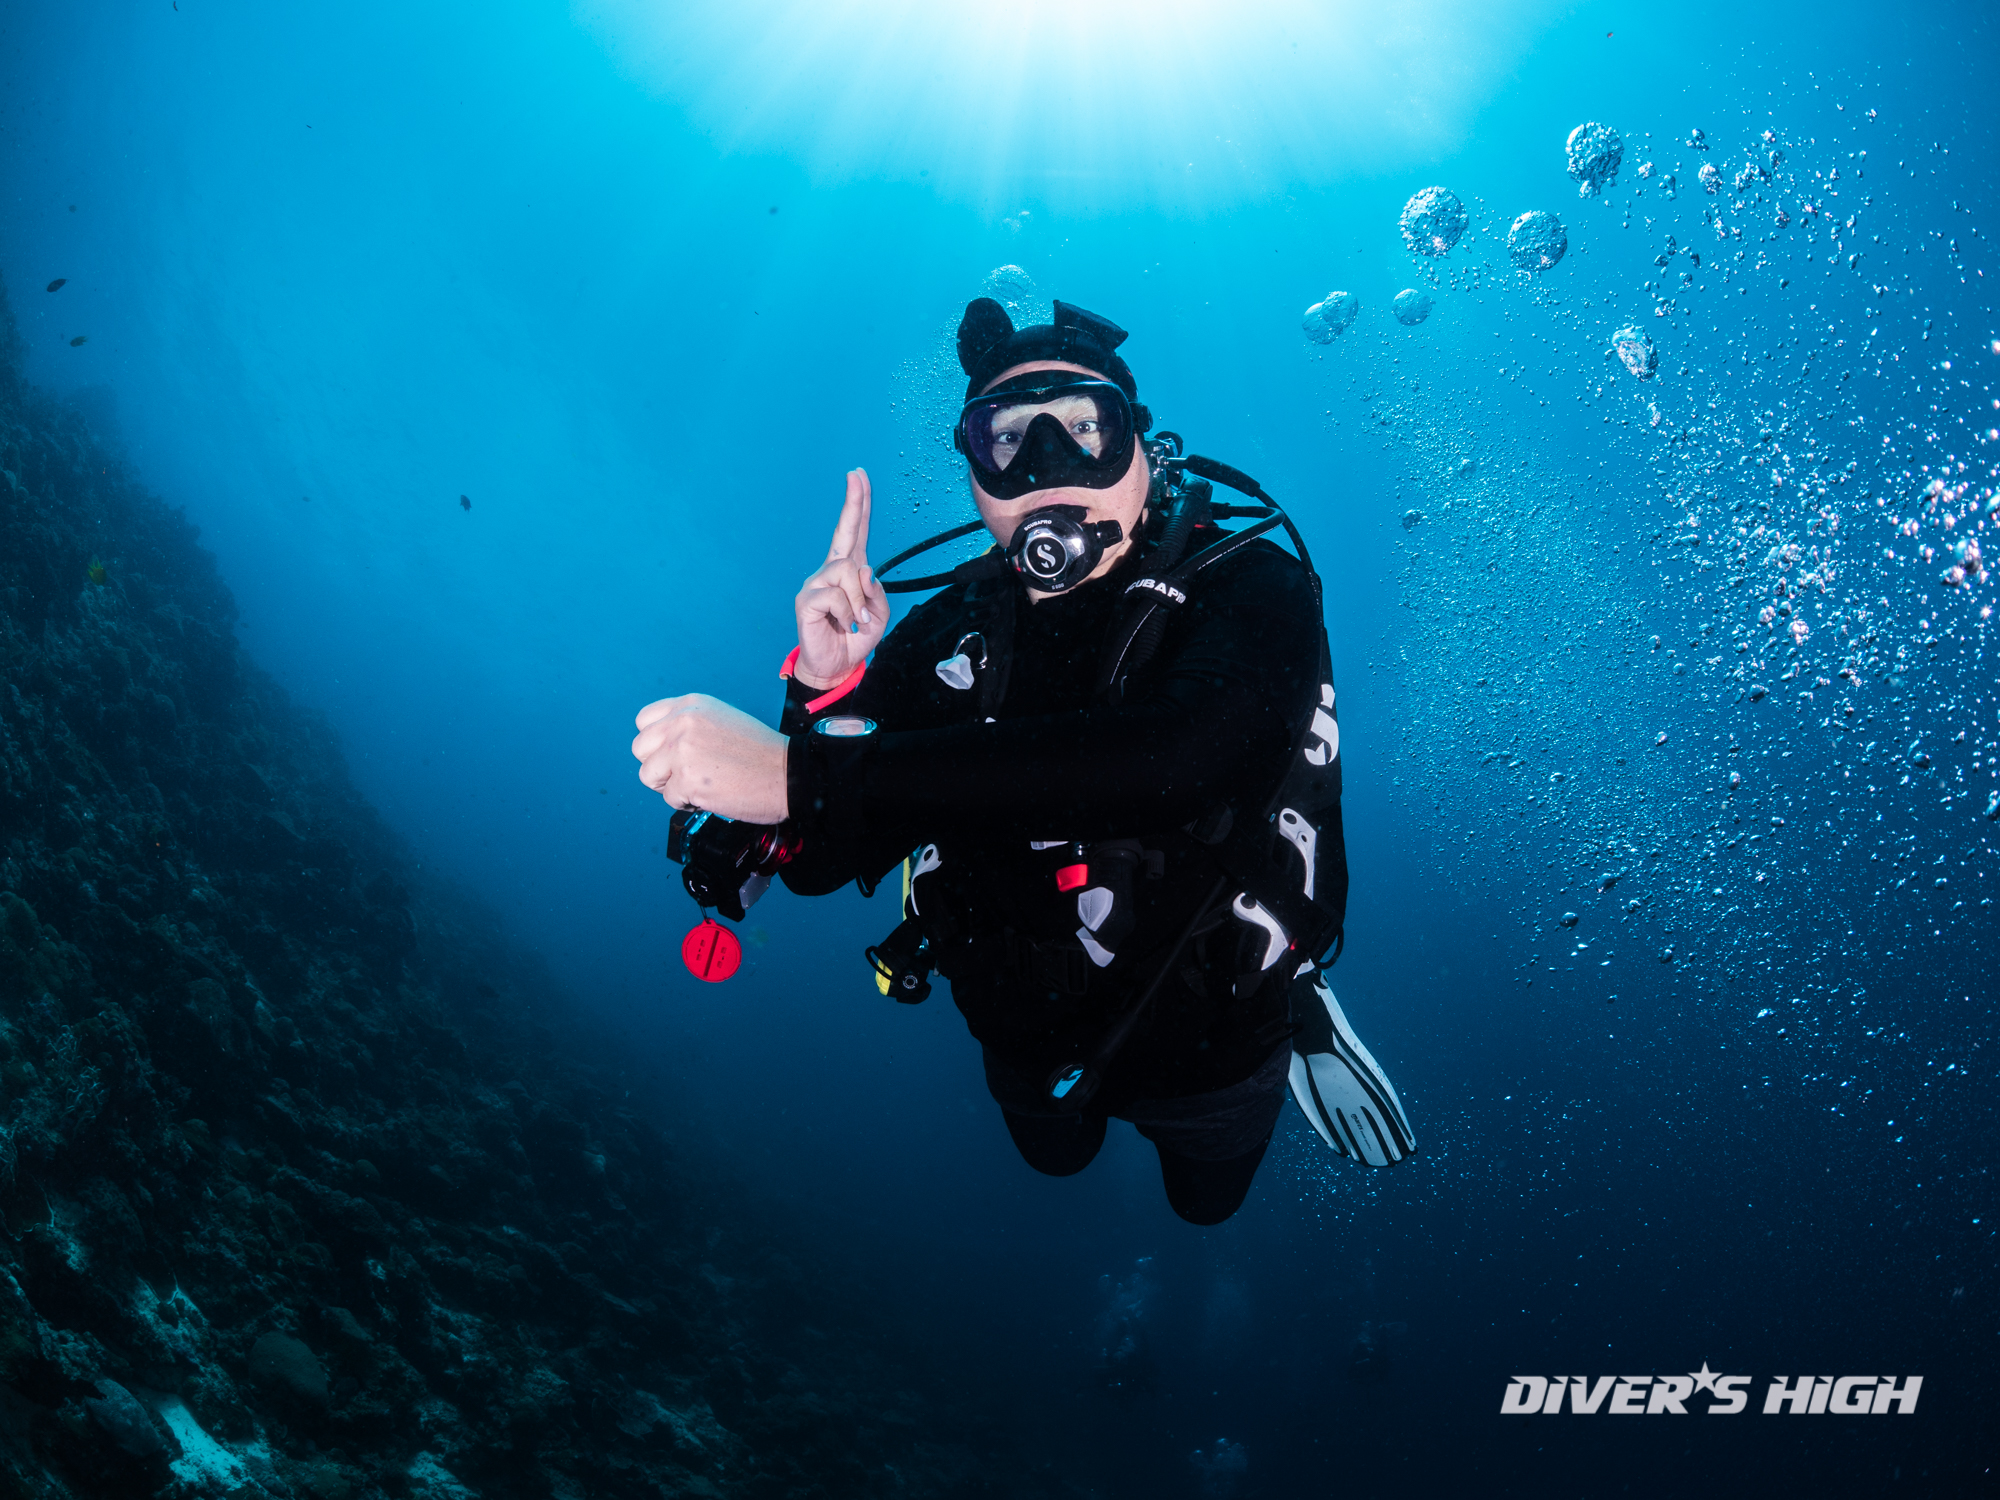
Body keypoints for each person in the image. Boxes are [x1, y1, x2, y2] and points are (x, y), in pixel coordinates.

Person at [631, 298, 1415, 1225]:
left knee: (1205, 1205)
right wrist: (822, 693)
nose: (1046, 468)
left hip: (1217, 1026)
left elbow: (1181, 760)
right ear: (974, 474)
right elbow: (821, 862)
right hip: (1021, 1027)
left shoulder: (1250, 586)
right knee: (1053, 1160)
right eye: (1005, 438)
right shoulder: (949, 633)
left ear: (1143, 446)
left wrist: (798, 777)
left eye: (1084, 428)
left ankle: (1305, 1015)